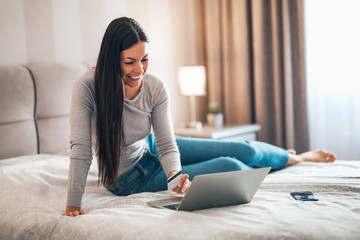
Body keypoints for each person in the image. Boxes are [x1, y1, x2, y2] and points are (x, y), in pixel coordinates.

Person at [63, 17, 336, 217]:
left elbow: (168, 143)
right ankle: (279, 158)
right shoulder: (87, 87)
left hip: (152, 147)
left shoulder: (155, 86)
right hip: (128, 179)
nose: (140, 70)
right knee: (233, 166)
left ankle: (294, 157)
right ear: (113, 59)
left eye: (144, 59)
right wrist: (73, 205)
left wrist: (174, 177)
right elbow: (81, 151)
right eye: (130, 62)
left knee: (243, 148)